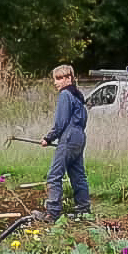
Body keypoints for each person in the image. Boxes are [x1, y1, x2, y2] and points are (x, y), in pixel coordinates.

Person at [41, 64, 90, 219]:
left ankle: (52, 213)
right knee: (78, 175)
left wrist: (48, 138)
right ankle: (83, 210)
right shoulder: (78, 96)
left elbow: (60, 122)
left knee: (54, 175)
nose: (56, 82)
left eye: (59, 78)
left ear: (69, 78)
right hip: (80, 136)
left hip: (69, 136)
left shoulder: (65, 95)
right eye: (55, 79)